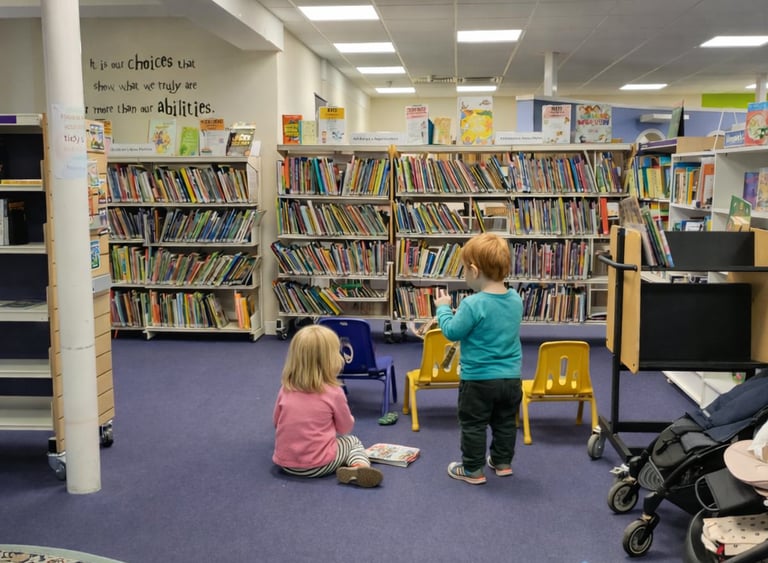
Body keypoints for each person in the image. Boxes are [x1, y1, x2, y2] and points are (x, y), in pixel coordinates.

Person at [434, 232, 524, 485]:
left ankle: (473, 469)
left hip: (478, 380)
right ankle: (502, 462)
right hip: (511, 378)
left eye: (464, 269)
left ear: (473, 270)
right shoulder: (516, 299)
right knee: (505, 422)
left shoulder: (472, 304)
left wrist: (442, 309)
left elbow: (452, 331)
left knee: (473, 424)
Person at [272, 324, 383, 488]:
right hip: (319, 465)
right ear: (330, 360)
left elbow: (276, 422)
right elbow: (345, 428)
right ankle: (359, 466)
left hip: (286, 464)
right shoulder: (334, 392)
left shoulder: (285, 389)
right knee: (351, 442)